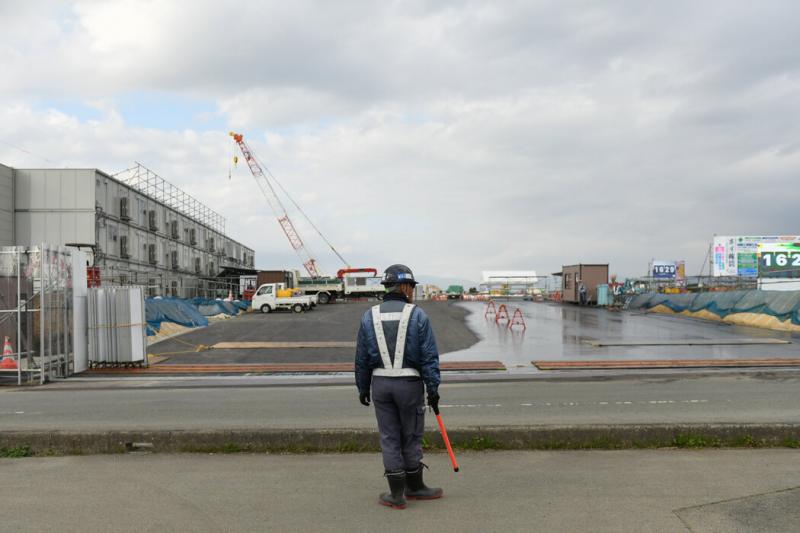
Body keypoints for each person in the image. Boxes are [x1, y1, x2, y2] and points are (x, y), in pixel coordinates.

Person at [355, 264, 443, 510]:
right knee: (411, 434)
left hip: (380, 385)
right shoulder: (417, 315)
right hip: (409, 384)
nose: (413, 291)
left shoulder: (368, 316)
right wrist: (433, 387)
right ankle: (415, 487)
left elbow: (361, 357)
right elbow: (428, 355)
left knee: (389, 436)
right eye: (412, 287)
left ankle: (396, 494)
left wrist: (362, 387)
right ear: (404, 287)